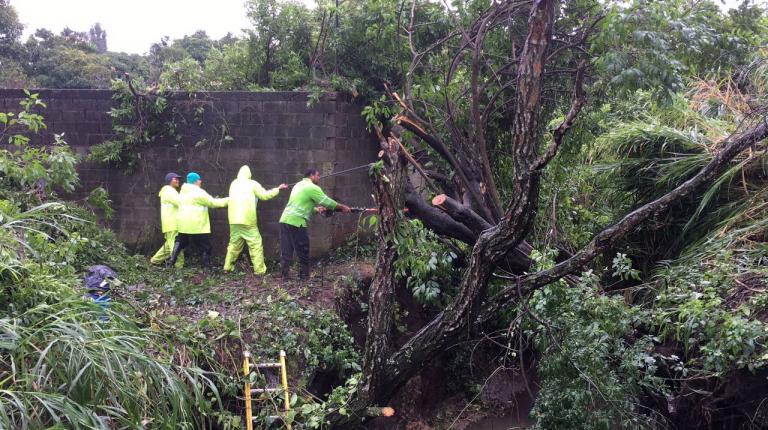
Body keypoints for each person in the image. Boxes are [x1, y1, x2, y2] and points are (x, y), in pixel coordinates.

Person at [279, 168, 351, 279]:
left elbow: (302, 205)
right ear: (311, 176)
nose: (319, 178)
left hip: (284, 220)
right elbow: (326, 201)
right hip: (297, 222)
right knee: (303, 249)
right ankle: (304, 277)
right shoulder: (312, 187)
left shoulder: (298, 185)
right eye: (317, 175)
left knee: (286, 249)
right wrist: (342, 207)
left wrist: (317, 210)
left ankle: (285, 275)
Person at [223, 165, 288, 274]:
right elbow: (264, 195)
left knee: (233, 245)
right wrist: (278, 189)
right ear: (249, 174)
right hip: (248, 220)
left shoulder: (233, 184)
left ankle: (227, 267)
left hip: (233, 220)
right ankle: (259, 271)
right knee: (255, 245)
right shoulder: (252, 184)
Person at [167, 172, 229, 268]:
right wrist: (229, 200)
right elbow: (213, 203)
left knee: (180, 241)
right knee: (206, 246)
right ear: (195, 181)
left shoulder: (183, 192)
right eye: (199, 179)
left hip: (183, 224)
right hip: (197, 225)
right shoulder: (199, 192)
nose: (201, 181)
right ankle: (206, 266)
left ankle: (171, 261)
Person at [150, 172, 184, 267]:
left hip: (170, 223)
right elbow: (179, 203)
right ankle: (179, 266)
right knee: (176, 245)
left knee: (170, 245)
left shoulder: (168, 191)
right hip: (173, 223)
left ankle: (155, 260)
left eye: (178, 179)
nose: (178, 180)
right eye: (175, 179)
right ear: (169, 180)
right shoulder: (169, 191)